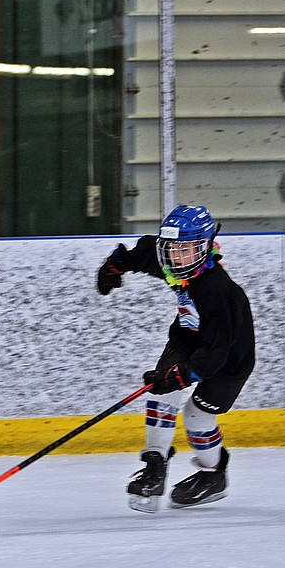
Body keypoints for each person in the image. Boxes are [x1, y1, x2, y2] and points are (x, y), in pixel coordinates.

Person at [96, 203, 255, 512]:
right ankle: (155, 467)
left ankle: (214, 475)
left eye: (187, 249)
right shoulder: (172, 261)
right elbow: (144, 253)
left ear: (206, 246)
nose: (178, 256)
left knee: (197, 416)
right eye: (172, 249)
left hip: (230, 359)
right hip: (188, 335)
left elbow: (218, 351)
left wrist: (185, 375)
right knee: (160, 392)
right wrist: (115, 265)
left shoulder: (218, 290)